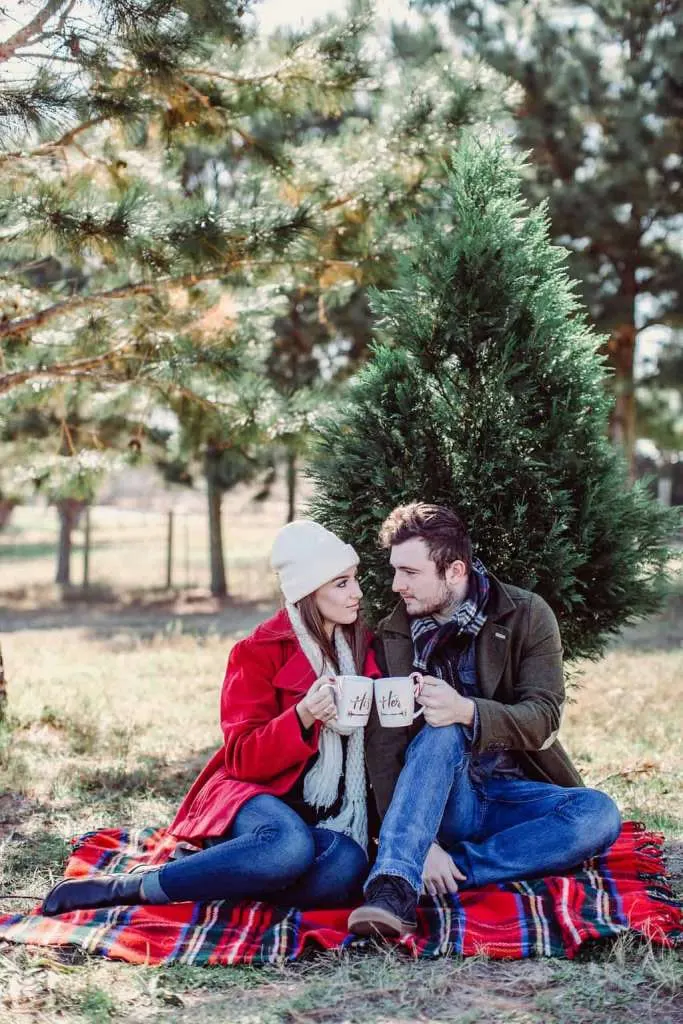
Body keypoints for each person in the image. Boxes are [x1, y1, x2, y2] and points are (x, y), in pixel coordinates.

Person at [43, 520, 374, 916]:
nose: (356, 592)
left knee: (346, 864)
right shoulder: (256, 651)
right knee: (290, 845)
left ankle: (221, 874)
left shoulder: (361, 645)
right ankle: (133, 886)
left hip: (316, 814)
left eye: (354, 579)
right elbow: (243, 759)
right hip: (252, 796)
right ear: (308, 591)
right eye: (341, 582)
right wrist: (301, 715)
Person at [349, 503, 622, 938]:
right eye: (395, 571)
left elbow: (545, 718)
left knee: (599, 814)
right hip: (441, 801)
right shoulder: (393, 635)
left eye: (410, 572)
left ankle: (452, 870)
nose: (397, 584)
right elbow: (382, 748)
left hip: (511, 796)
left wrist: (469, 711)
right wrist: (427, 839)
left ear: (454, 570)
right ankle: (392, 884)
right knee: (443, 731)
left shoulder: (527, 615)